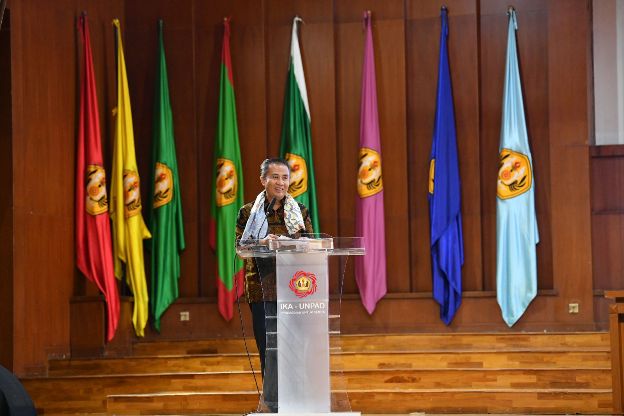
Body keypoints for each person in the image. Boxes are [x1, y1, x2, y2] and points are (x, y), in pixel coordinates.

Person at [235, 158, 314, 413]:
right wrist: (262, 243)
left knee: (295, 347)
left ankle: (298, 402)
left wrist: (290, 243)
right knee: (269, 349)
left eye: (284, 177)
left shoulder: (299, 211)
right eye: (275, 177)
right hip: (261, 290)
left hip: (295, 290)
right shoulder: (249, 212)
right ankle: (272, 405)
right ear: (263, 180)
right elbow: (240, 248)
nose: (281, 182)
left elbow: (310, 246)